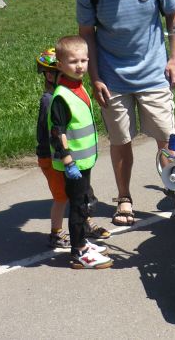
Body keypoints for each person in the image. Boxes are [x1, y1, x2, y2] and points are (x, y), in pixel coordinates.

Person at [76, 0, 175, 226]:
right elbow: (87, 35)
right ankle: (124, 198)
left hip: (154, 72)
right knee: (121, 140)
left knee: (166, 138)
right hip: (112, 76)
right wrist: (95, 77)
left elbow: (174, 15)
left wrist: (174, 59)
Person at [47, 36, 112, 269]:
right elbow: (57, 132)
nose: (81, 65)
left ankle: (83, 239)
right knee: (78, 207)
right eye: (73, 61)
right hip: (74, 163)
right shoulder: (61, 97)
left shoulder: (79, 87)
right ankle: (78, 252)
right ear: (60, 65)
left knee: (84, 201)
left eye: (84, 60)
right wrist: (67, 161)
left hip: (84, 162)